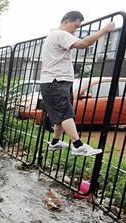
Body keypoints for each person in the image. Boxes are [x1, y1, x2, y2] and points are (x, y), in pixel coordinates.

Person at [40, 11, 114, 156]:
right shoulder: (59, 34)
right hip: (55, 81)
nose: (76, 30)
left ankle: (55, 142)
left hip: (56, 81)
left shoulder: (54, 35)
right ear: (66, 21)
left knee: (61, 114)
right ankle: (78, 145)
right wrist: (104, 29)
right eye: (75, 26)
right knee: (66, 113)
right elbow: (84, 43)